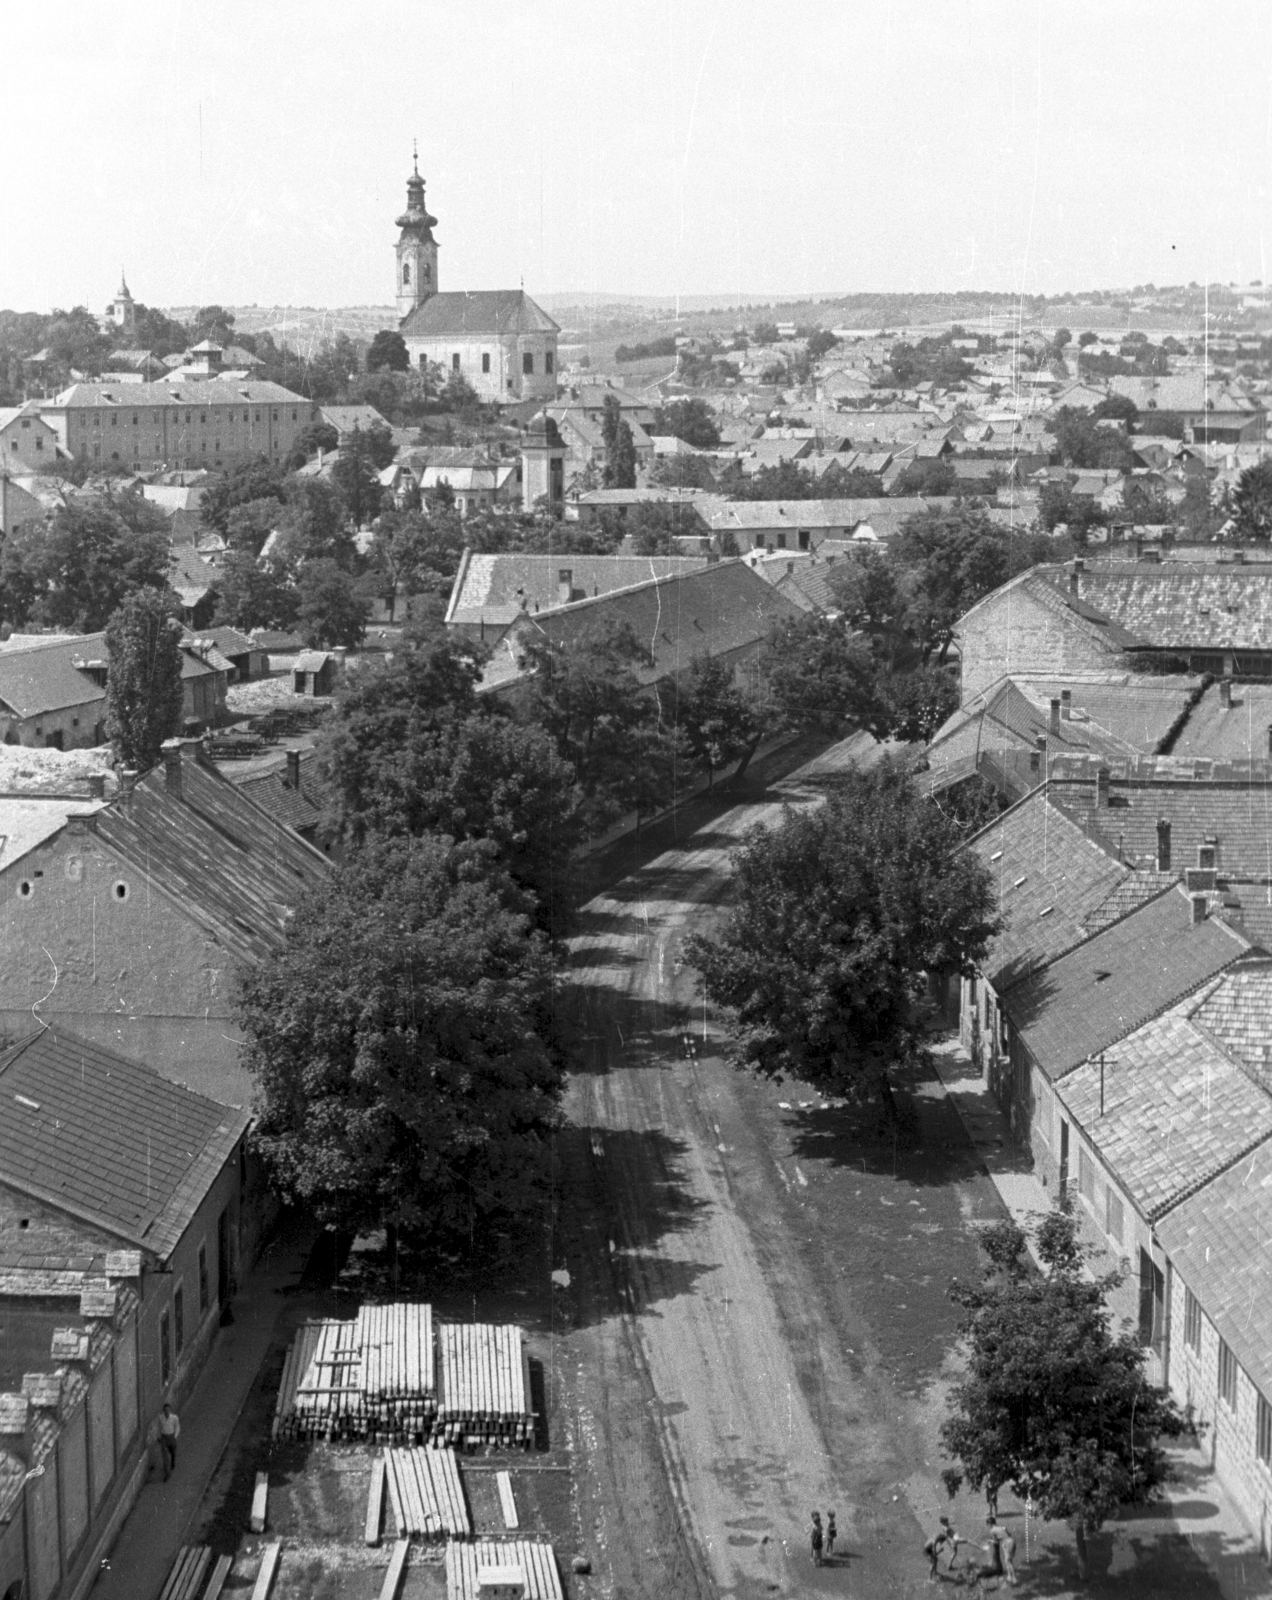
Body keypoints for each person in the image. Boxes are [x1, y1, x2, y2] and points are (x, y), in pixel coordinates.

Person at [157, 1402, 180, 1480]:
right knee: (165, 1456)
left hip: (171, 1436)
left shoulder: (174, 1418)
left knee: (173, 1451)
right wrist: (159, 1437)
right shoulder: (161, 1418)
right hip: (164, 1437)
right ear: (163, 1410)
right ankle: (167, 1474)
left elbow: (177, 1427)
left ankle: (172, 1461)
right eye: (165, 1410)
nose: (167, 1411)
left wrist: (175, 1436)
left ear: (170, 1410)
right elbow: (159, 1427)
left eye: (168, 1409)